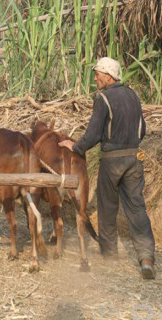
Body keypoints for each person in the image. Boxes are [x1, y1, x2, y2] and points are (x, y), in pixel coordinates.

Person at [59, 57, 155, 279]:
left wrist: (76, 146)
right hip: (133, 158)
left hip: (112, 161)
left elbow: (93, 133)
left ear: (108, 75)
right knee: (137, 208)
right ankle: (146, 258)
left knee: (108, 207)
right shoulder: (133, 95)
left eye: (97, 74)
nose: (95, 78)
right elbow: (142, 129)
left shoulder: (103, 97)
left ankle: (110, 254)